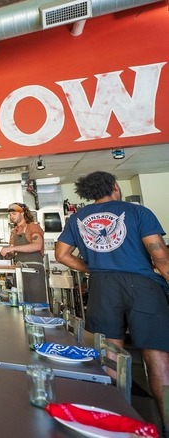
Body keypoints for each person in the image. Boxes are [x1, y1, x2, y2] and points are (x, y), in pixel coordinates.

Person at [55, 171, 169, 427]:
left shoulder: (77, 217)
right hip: (143, 286)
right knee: (157, 356)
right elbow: (161, 256)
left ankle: (112, 424)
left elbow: (61, 255)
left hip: (102, 285)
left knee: (110, 354)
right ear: (115, 187)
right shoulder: (138, 211)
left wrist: (92, 269)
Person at [0, 202, 47, 303]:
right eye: (10, 214)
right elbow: (13, 250)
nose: (11, 216)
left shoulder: (33, 227)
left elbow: (37, 246)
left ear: (22, 213)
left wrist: (11, 249)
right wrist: (6, 253)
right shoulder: (14, 232)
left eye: (14, 213)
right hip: (19, 271)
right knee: (21, 302)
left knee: (36, 304)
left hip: (34, 271)